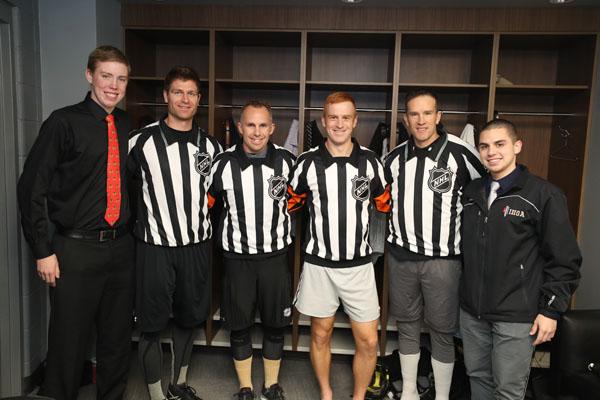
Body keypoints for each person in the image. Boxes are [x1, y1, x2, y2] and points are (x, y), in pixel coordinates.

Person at [17, 46, 134, 400]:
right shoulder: (62, 122)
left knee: (116, 340)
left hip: (121, 248)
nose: (113, 85)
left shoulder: (127, 124)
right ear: (89, 75)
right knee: (68, 341)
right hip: (75, 249)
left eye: (121, 79)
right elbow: (31, 187)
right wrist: (42, 250)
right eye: (106, 76)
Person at [459, 119, 581, 399]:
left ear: (517, 146)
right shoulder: (472, 192)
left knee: (508, 390)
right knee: (477, 379)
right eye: (484, 146)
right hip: (473, 313)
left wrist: (550, 311)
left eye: (499, 144)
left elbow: (565, 260)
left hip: (516, 316)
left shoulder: (543, 195)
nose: (491, 152)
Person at [288, 92, 390, 400]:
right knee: (321, 334)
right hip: (320, 265)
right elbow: (291, 204)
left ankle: (358, 396)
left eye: (346, 117)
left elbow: (384, 206)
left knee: (368, 340)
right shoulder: (307, 162)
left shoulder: (371, 162)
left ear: (355, 121)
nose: (339, 123)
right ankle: (326, 393)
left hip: (359, 267)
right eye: (333, 117)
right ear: (323, 121)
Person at [128, 65, 222, 400]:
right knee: (151, 324)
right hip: (154, 246)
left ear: (199, 99)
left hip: (195, 247)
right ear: (166, 95)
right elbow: (122, 191)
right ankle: (156, 394)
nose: (185, 99)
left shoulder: (211, 147)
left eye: (191, 93)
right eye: (178, 92)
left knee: (188, 319)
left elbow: (216, 197)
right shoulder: (139, 142)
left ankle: (178, 386)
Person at [384, 90, 485, 400]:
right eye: (414, 114)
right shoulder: (394, 158)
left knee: (442, 331)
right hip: (401, 257)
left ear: (438, 116)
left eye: (427, 113)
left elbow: (486, 193)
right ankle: (409, 391)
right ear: (405, 119)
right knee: (407, 326)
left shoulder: (462, 153)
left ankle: (441, 396)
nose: (421, 120)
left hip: (443, 261)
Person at [208, 100, 296, 400]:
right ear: (240, 127)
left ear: (272, 128)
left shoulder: (287, 162)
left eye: (262, 125)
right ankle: (245, 388)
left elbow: (301, 200)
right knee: (239, 326)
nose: (256, 132)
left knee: (275, 325)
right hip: (237, 259)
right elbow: (206, 204)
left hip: (275, 257)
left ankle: (271, 386)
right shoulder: (222, 164)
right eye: (250, 125)